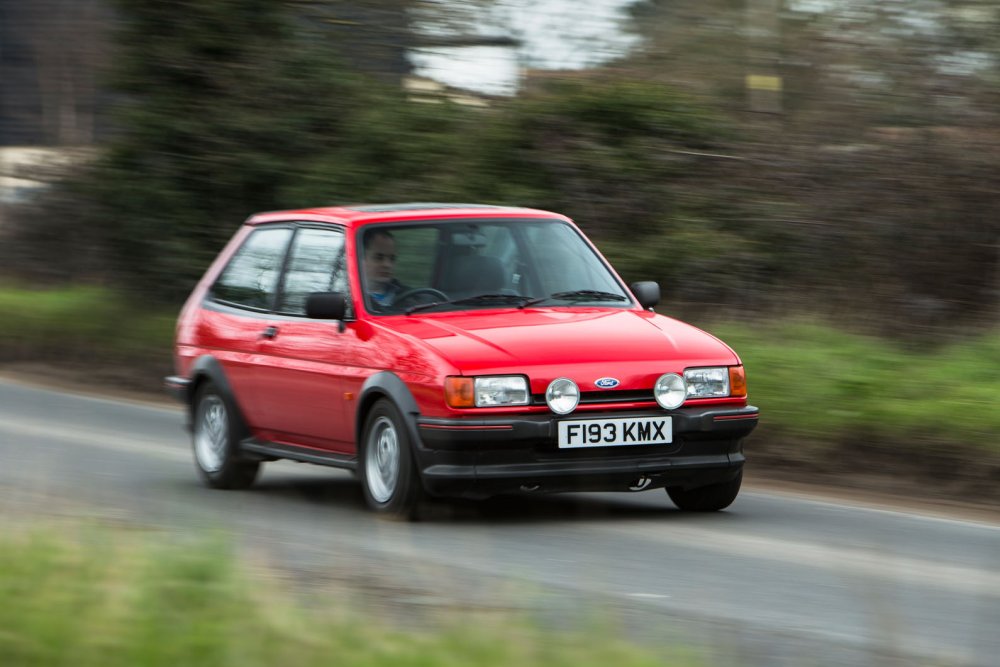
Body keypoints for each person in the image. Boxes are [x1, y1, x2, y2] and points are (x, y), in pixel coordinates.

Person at [362, 229, 406, 308]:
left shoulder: (410, 297)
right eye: (379, 258)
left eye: (392, 259)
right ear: (361, 259)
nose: (387, 265)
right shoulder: (348, 298)